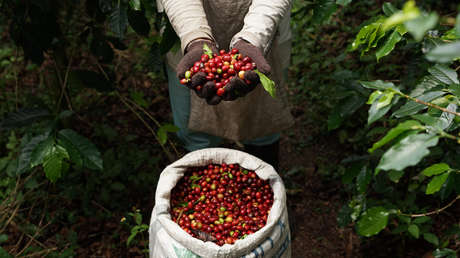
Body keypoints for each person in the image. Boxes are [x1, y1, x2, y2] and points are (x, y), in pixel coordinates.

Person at [157, 0, 294, 171]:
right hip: (184, 26)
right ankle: (203, 183)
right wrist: (195, 38)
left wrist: (253, 38)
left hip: (265, 30)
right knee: (196, 135)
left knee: (262, 123)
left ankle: (261, 178)